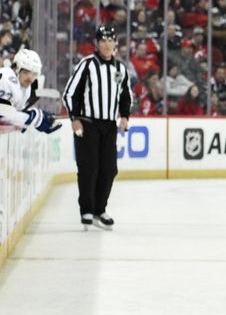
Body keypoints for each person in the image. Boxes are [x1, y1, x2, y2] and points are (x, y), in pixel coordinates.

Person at [63, 24, 131, 231]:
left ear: (115, 43)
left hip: (109, 125)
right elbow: (70, 93)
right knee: (88, 167)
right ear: (97, 43)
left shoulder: (120, 69)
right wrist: (74, 118)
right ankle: (87, 209)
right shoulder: (87, 65)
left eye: (111, 40)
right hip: (88, 123)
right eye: (103, 41)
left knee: (109, 169)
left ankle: (100, 210)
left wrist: (125, 116)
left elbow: (125, 95)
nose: (107, 44)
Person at [0, 49, 61, 134]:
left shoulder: (26, 89)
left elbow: (13, 114)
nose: (30, 79)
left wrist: (34, 115)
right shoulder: (6, 79)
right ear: (16, 68)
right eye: (26, 72)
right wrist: (33, 117)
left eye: (34, 74)